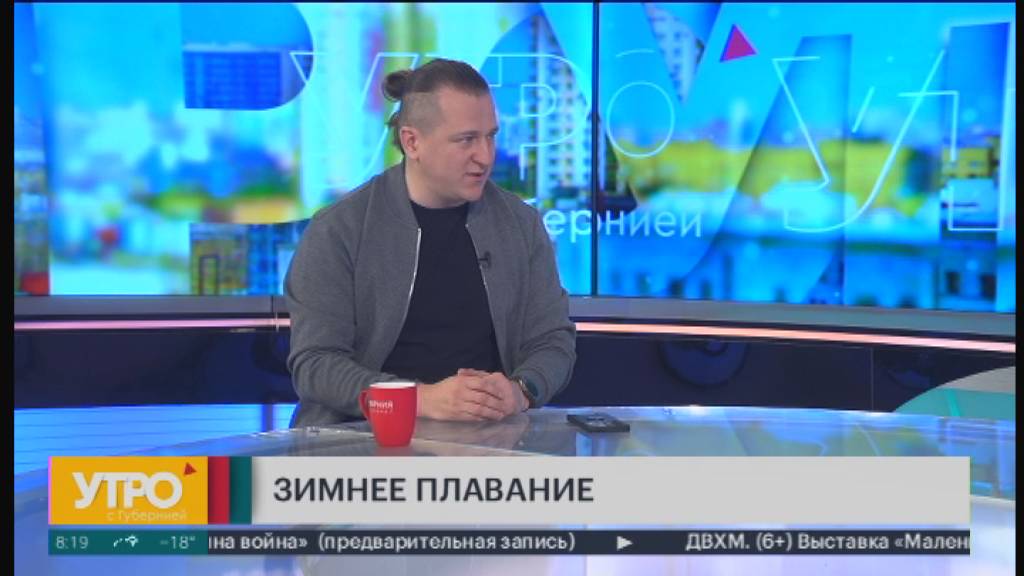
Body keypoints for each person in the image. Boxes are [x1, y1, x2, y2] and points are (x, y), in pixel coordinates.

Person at [285, 58, 576, 426]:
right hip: (361, 440)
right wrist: (420, 399)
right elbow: (316, 364)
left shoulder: (521, 224)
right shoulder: (339, 230)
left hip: (489, 441)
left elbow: (553, 340)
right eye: (466, 140)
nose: (485, 156)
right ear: (412, 142)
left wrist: (520, 391)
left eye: (491, 136)